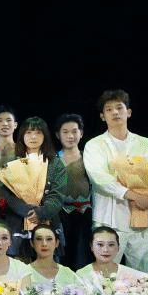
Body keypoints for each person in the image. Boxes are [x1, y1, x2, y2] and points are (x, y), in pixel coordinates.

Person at [83, 90, 148, 272]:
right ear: (102, 116)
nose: (115, 112)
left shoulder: (147, 144)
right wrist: (133, 196)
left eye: (119, 108)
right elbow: (100, 178)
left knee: (144, 274)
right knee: (105, 273)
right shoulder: (94, 145)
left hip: (142, 216)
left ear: (128, 112)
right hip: (109, 219)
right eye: (109, 109)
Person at [0, 117, 66, 260]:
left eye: (38, 133)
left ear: (45, 136)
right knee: (19, 266)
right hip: (18, 222)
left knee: (46, 264)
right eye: (29, 132)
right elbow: (7, 194)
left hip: (47, 221)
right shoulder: (12, 162)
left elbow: (57, 195)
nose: (33, 137)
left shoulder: (55, 164)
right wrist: (26, 211)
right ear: (22, 136)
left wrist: (41, 212)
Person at [54, 113, 93, 270]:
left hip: (86, 213)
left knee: (83, 256)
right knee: (63, 255)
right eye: (65, 132)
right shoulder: (52, 159)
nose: (70, 136)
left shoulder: (89, 158)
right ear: (58, 135)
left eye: (74, 131)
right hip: (61, 213)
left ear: (81, 133)